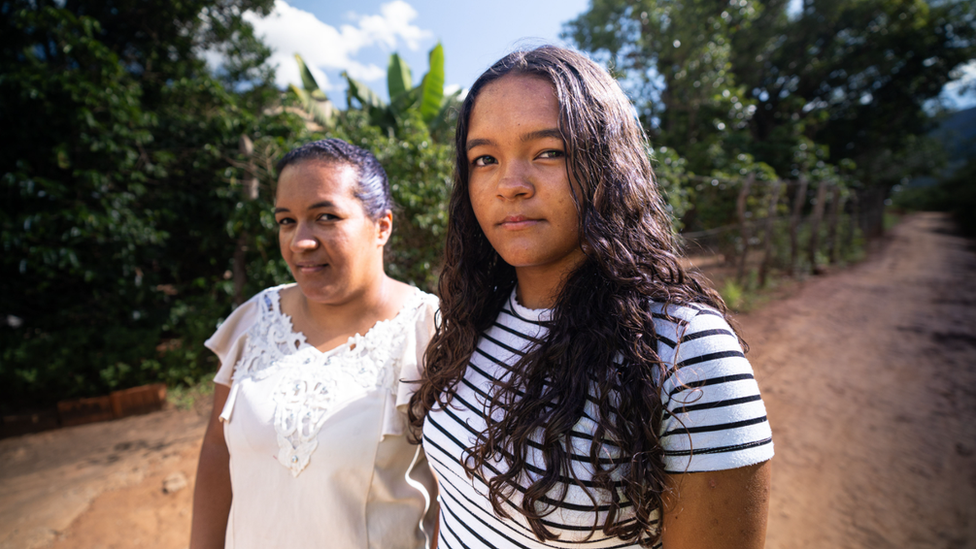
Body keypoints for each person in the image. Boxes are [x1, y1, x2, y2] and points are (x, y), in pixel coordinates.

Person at [410, 46, 774, 549]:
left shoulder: (683, 351)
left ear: (607, 164)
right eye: (485, 159)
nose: (510, 185)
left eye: (549, 152)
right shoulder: (474, 317)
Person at [190, 138, 438, 549]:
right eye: (286, 220)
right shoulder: (256, 320)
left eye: (325, 217)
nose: (299, 241)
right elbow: (217, 450)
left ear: (382, 226)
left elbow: (456, 494)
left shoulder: (430, 332)